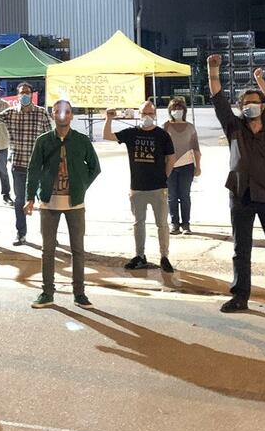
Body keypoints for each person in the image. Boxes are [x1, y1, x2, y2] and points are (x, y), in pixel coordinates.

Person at [208, 54, 265, 313]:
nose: (250, 106)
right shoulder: (234, 128)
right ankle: (240, 295)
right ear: (241, 107)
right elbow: (218, 99)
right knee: (241, 249)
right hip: (240, 194)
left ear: (263, 106)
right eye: (246, 103)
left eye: (255, 102)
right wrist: (213, 69)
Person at [25, 99, 102, 309]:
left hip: (75, 204)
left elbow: (94, 168)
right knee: (47, 250)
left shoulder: (81, 140)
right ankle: (47, 292)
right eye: (59, 111)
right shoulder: (43, 141)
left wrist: (81, 184)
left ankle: (79, 293)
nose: (63, 115)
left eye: (67, 112)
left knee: (78, 249)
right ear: (52, 114)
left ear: (71, 116)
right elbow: (33, 170)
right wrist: (30, 197)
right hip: (48, 203)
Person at [104, 101, 174, 272]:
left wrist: (164, 177)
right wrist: (109, 119)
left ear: (155, 115)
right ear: (139, 115)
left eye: (150, 113)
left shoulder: (162, 135)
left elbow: (170, 158)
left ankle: (164, 256)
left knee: (162, 224)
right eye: (144, 113)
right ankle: (140, 256)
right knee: (138, 223)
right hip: (137, 187)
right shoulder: (131, 134)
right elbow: (108, 136)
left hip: (158, 187)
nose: (147, 117)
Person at [0, 82, 52, 246]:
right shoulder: (10, 113)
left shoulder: (41, 113)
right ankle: (21, 234)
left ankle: (49, 235)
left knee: (45, 200)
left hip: (39, 166)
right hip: (18, 164)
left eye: (27, 92)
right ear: (18, 95)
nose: (24, 95)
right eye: (21, 93)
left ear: (32, 94)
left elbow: (50, 137)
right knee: (19, 201)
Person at [164, 97, 200, 235]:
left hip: (187, 165)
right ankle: (174, 224)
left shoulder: (190, 127)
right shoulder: (166, 126)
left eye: (179, 109)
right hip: (170, 166)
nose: (177, 111)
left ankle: (186, 224)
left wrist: (198, 166)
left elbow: (196, 148)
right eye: (174, 109)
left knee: (185, 196)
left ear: (184, 111)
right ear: (170, 111)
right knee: (172, 196)